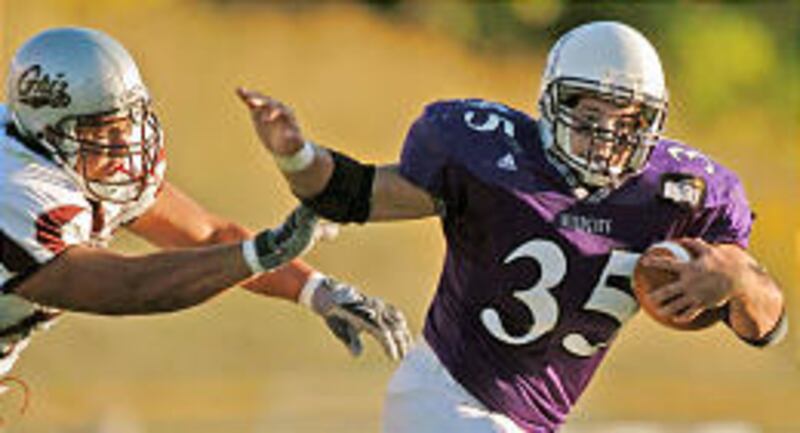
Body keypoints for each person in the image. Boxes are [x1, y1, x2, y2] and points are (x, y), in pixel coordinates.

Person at [238, 21, 788, 433]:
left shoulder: (679, 190)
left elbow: (766, 327)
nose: (605, 136)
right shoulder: (493, 155)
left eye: (626, 120)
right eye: (589, 114)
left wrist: (738, 275)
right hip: (444, 396)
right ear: (551, 105)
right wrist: (296, 156)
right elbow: (351, 193)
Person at [0, 27, 412, 382]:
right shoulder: (16, 187)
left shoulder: (84, 164)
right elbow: (130, 287)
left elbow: (209, 236)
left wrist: (318, 291)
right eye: (102, 130)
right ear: (46, 132)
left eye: (129, 121)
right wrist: (267, 250)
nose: (124, 144)